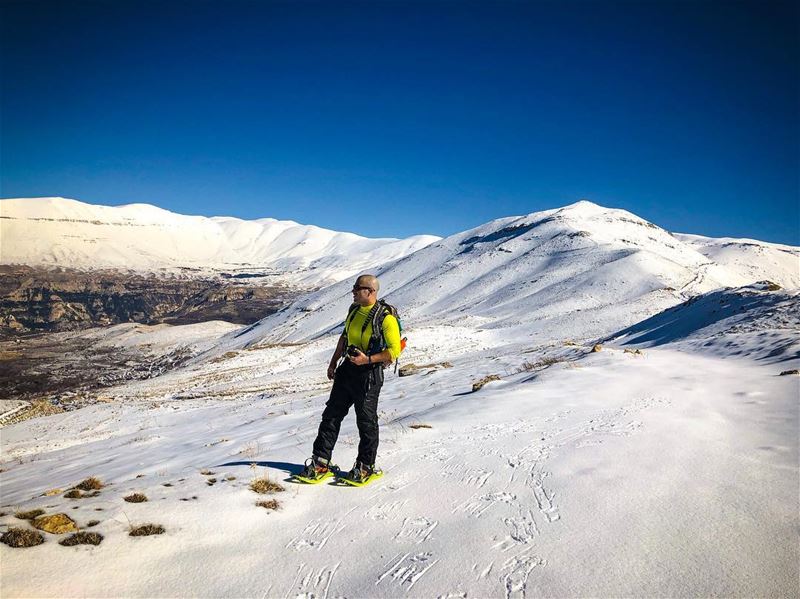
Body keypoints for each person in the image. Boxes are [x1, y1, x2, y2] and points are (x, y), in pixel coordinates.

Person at [300, 274, 402, 483]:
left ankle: (366, 467)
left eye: (358, 288)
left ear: (371, 291)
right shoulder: (354, 310)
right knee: (331, 416)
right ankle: (320, 462)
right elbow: (344, 337)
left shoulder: (386, 319)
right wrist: (333, 362)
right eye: (354, 287)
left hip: (369, 374)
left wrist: (367, 360)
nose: (353, 291)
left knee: (366, 422)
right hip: (347, 369)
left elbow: (393, 352)